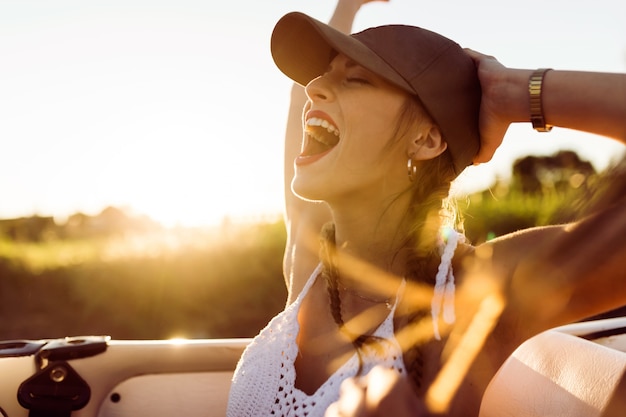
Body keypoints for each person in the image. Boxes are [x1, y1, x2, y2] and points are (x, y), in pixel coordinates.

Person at [226, 0, 626, 416]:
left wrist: (515, 92)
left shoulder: (477, 293)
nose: (313, 88)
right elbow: (298, 98)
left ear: (426, 140)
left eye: (356, 80)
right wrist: (348, 5)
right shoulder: (313, 262)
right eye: (325, 76)